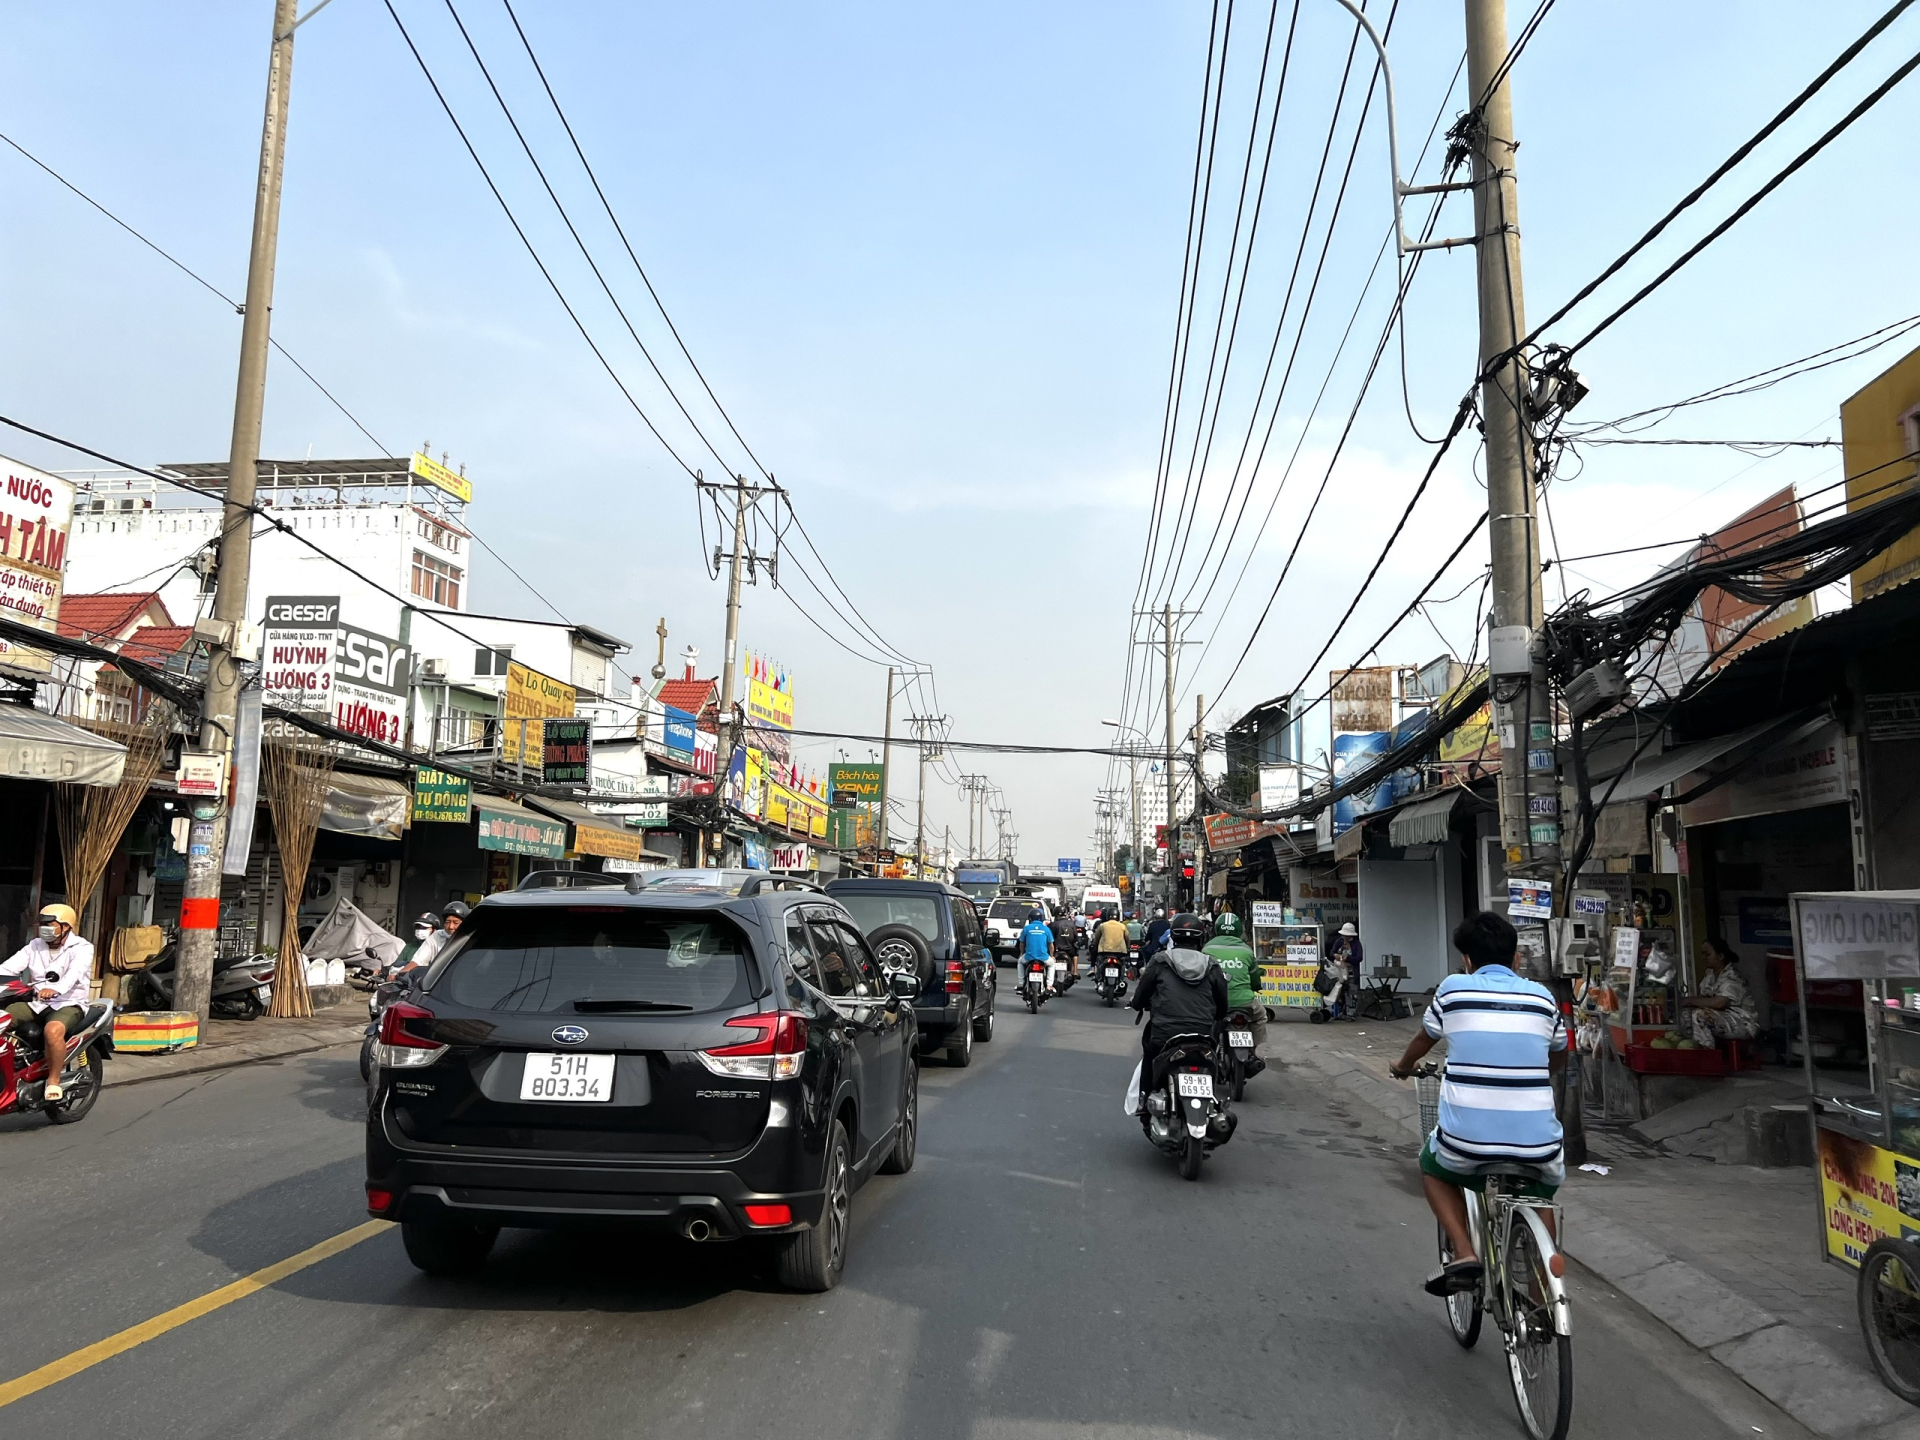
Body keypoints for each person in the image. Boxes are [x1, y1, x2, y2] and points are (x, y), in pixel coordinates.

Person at [1389, 910, 1567, 1297]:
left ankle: (1465, 1253)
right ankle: (1543, 1296)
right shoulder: (1543, 997)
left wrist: (1403, 1067)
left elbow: (1424, 1039)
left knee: (1431, 1167)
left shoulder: (1454, 989)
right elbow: (1558, 1056)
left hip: (1467, 1144)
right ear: (1516, 958)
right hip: (1539, 1143)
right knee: (1538, 1194)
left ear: (1467, 960)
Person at [1, 904, 94, 1103]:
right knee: (4, 1018)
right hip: (35, 1002)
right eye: (42, 924)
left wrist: (56, 989)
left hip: (68, 1002)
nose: (44, 928)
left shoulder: (82, 948)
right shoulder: (35, 945)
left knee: (52, 1031)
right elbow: (8, 968)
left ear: (65, 926)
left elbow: (74, 974)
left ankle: (54, 1080)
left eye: (50, 924)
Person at [1130, 912, 1229, 1084]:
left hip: (1164, 1032)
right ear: (1201, 938)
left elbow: (1142, 993)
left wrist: (1137, 1004)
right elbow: (1222, 1002)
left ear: (1173, 936)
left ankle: (1144, 1099)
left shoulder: (1160, 960)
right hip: (1203, 1032)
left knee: (1150, 1055)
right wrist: (1218, 1015)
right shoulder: (1211, 964)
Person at [1203, 910, 1266, 1075]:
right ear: (1239, 930)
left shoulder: (1208, 948)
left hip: (1215, 1001)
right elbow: (1255, 978)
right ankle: (1254, 1051)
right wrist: (1255, 987)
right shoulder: (1246, 950)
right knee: (1260, 1016)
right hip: (1244, 1001)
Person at [1682, 934, 1759, 1048]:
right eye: (1702, 954)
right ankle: (1691, 1048)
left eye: (1707, 954)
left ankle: (1707, 1053)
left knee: (1700, 1016)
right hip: (1722, 1018)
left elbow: (1720, 1002)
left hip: (1742, 1022)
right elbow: (1705, 998)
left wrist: (1691, 1000)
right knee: (1686, 1014)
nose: (1704, 957)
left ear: (1720, 956)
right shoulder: (1710, 975)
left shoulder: (1733, 977)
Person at [411, 900, 470, 971]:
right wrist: (398, 974)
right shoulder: (437, 936)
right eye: (447, 922)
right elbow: (418, 961)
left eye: (456, 923)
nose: (450, 926)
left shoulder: (471, 939)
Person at [1328, 921, 1364, 1019]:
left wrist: (1347, 958)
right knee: (1339, 992)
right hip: (1339, 971)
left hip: (1352, 972)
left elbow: (1359, 958)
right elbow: (1331, 953)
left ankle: (1351, 1013)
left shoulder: (1356, 944)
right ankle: (1340, 1012)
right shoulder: (1339, 941)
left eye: (1347, 936)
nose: (1345, 937)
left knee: (1352, 993)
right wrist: (1335, 955)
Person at [1020, 908, 1059, 991]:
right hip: (1043, 957)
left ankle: (1021, 983)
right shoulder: (1046, 929)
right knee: (1052, 964)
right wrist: (1052, 956)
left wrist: (1022, 953)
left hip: (1029, 957)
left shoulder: (1026, 928)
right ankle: (1049, 985)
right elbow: (1051, 945)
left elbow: (1022, 943)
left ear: (1030, 918)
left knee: (1020, 961)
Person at [1092, 906, 1129, 972]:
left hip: (1104, 952)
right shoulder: (1122, 926)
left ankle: (1093, 969)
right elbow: (1127, 938)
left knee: (1095, 955)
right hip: (1120, 952)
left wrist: (1095, 944)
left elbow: (1096, 938)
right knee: (1123, 964)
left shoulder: (1102, 925)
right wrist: (1128, 946)